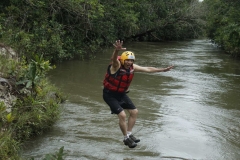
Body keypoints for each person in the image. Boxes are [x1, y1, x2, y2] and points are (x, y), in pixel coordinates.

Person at [102, 40, 173, 148]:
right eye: (127, 61)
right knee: (122, 115)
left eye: (131, 61)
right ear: (123, 60)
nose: (129, 63)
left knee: (134, 112)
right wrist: (116, 50)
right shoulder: (116, 66)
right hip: (109, 94)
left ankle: (129, 134)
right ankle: (126, 138)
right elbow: (115, 59)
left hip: (121, 94)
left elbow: (148, 69)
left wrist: (162, 70)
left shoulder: (132, 67)